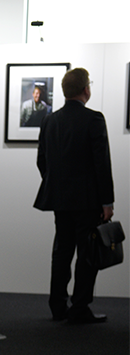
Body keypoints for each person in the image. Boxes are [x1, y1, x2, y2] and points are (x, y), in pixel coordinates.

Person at [34, 67, 114, 323]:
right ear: (86, 90)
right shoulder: (94, 119)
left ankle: (57, 306)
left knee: (62, 251)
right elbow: (101, 163)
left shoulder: (49, 120)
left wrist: (56, 184)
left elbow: (42, 161)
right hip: (88, 201)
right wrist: (107, 201)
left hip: (60, 199)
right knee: (87, 254)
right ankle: (80, 307)